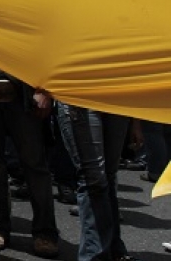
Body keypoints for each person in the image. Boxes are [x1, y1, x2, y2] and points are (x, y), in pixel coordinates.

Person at [0, 52, 59, 257]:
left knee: (35, 164)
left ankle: (45, 233)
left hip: (23, 85)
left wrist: (45, 89)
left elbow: (42, 41)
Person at [57, 101, 135, 261]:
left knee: (108, 177)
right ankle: (94, 255)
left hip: (118, 100)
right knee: (93, 179)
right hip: (79, 99)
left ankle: (115, 250)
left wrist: (137, 122)